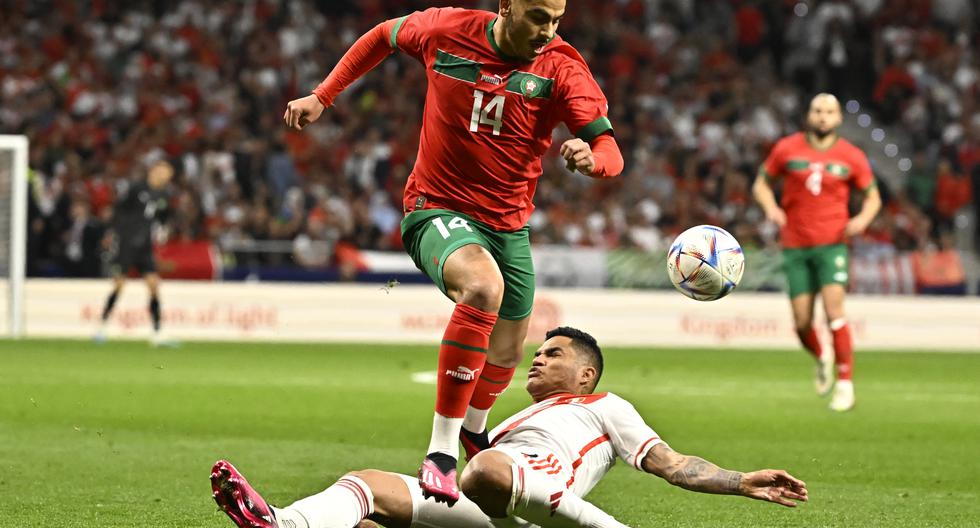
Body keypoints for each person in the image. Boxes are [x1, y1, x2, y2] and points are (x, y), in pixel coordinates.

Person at [282, 0, 624, 501]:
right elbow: (382, 35)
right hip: (434, 206)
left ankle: (473, 433)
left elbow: (612, 151)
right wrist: (323, 95)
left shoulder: (561, 68)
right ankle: (441, 451)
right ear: (506, 7)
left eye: (555, 19)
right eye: (537, 17)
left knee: (507, 350)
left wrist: (592, 159)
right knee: (483, 288)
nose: (547, 30)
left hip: (507, 226)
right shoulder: (446, 30)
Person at [211, 326, 808, 528]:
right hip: (493, 500)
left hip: (515, 489)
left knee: (486, 467)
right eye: (539, 351)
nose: (539, 358)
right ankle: (282, 522)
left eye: (554, 353)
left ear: (586, 372)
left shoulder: (605, 406)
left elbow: (675, 465)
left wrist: (740, 481)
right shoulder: (521, 418)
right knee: (366, 490)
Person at [752, 93, 881, 412]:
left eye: (829, 112)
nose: (823, 116)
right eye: (818, 111)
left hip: (832, 244)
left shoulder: (851, 155)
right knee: (801, 322)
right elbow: (761, 184)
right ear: (810, 115)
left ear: (838, 119)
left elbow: (873, 197)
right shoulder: (787, 148)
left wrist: (862, 220)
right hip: (795, 244)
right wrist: (772, 208)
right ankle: (822, 356)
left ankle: (846, 384)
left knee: (835, 311)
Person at [94, 159, 175, 347]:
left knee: (154, 285)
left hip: (145, 245)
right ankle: (102, 327)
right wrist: (114, 233)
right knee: (119, 284)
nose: (165, 176)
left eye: (168, 174)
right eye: (163, 172)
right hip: (127, 243)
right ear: (153, 171)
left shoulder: (163, 195)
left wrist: (163, 229)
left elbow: (162, 217)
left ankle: (157, 333)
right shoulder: (136, 188)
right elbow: (118, 210)